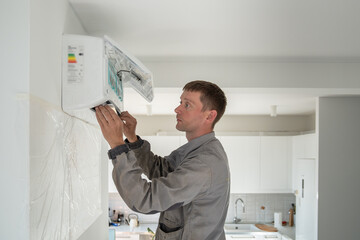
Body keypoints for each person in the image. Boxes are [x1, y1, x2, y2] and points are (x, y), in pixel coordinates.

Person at [96, 80, 230, 240]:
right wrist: (132, 139)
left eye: (187, 105)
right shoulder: (195, 150)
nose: (177, 109)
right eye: (181, 102)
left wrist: (117, 146)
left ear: (210, 115)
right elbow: (160, 170)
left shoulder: (205, 164)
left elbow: (145, 200)